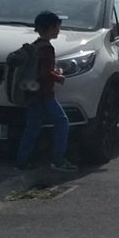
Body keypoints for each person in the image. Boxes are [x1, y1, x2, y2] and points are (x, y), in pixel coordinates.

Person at [14, 11, 76, 172]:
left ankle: (21, 162)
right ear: (51, 27)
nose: (59, 30)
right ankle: (58, 160)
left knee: (32, 128)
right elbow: (44, 73)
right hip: (44, 94)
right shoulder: (47, 49)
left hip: (31, 94)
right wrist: (58, 77)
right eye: (57, 26)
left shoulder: (34, 46)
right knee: (62, 122)